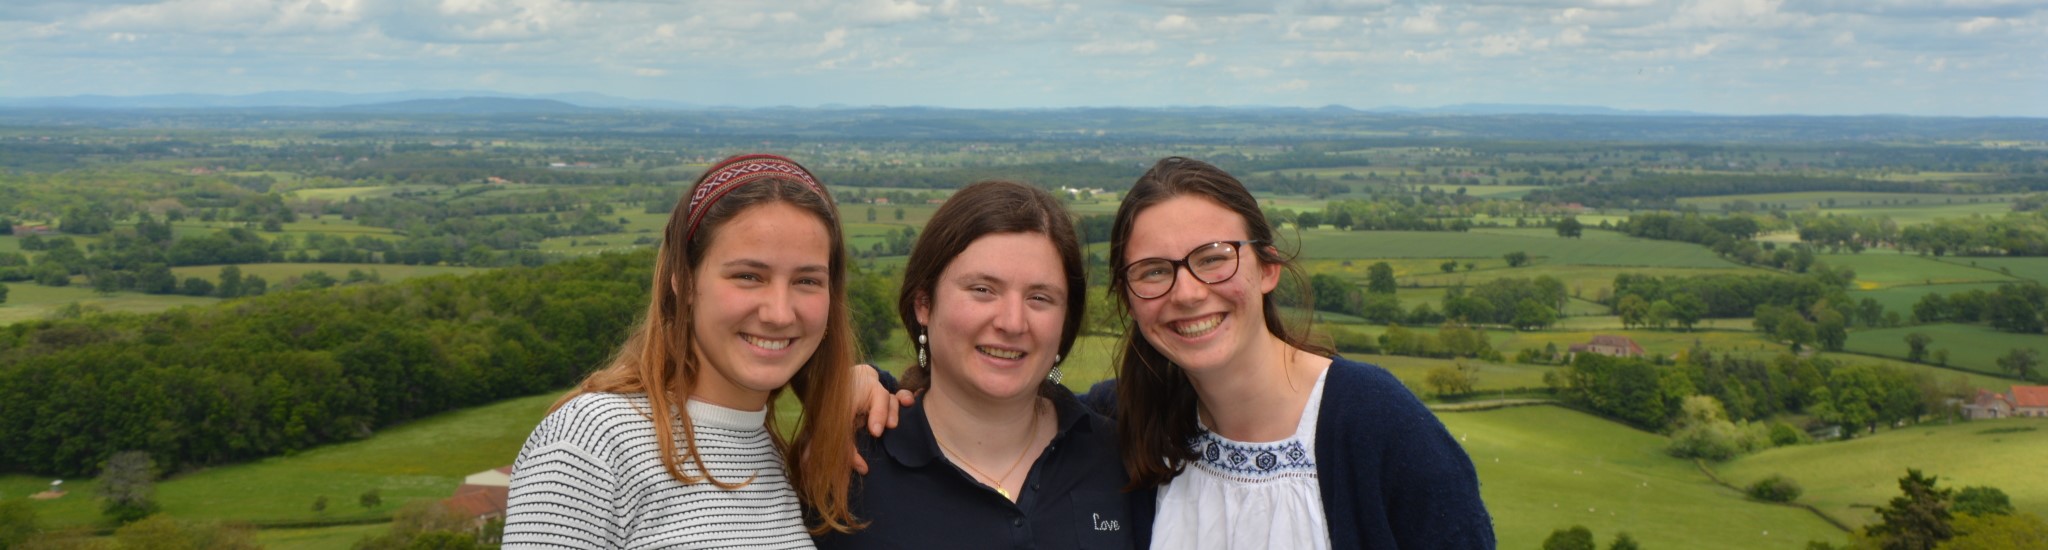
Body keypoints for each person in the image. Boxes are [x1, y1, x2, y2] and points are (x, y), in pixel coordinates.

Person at [1102, 157, 1494, 548]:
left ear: (1268, 268)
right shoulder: (1121, 418)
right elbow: (1043, 389)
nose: (1187, 293)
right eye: (1153, 270)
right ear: (1129, 300)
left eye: (1214, 258)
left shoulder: (1379, 423)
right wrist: (1050, 366)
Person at [504, 154, 865, 548]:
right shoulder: (592, 442)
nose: (779, 313)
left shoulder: (780, 459)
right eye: (748, 276)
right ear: (685, 282)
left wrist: (866, 383)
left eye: (807, 281)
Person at [815, 181, 1132, 549]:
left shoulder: (1122, 456)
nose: (1012, 322)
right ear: (923, 303)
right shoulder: (847, 468)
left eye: (1040, 297)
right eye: (983, 289)